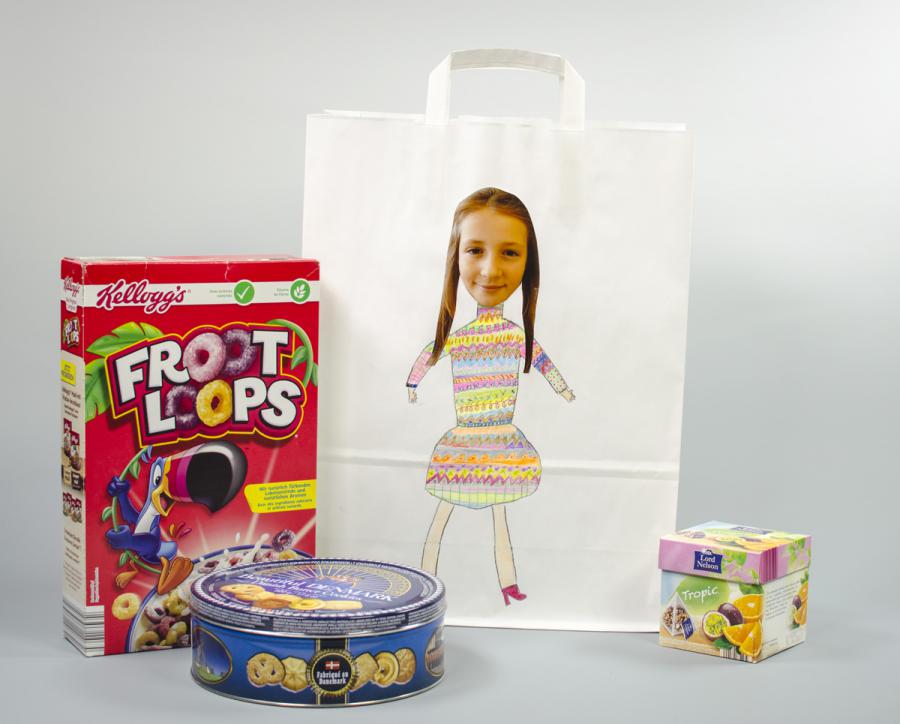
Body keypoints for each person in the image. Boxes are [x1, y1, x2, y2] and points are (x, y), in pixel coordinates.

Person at [406, 187, 574, 605]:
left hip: (500, 439)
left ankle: (507, 582)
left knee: (500, 514)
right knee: (443, 513)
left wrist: (564, 390)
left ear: (529, 263)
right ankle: (425, 582)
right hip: (466, 440)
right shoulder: (459, 337)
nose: (490, 269)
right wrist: (412, 384)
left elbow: (543, 362)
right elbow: (429, 354)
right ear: (456, 257)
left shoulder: (517, 337)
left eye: (510, 253)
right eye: (475, 250)